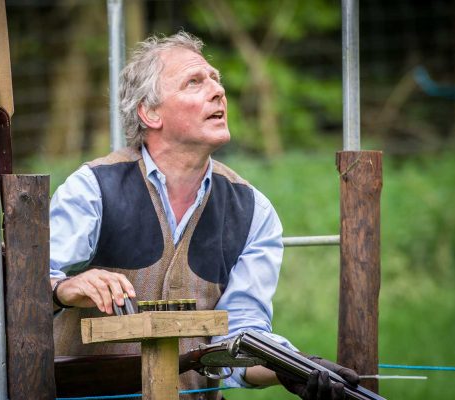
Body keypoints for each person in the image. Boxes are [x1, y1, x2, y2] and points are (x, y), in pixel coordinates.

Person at [49, 31, 359, 400]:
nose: (217, 91)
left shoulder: (253, 210)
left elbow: (241, 337)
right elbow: (20, 292)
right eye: (194, 82)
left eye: (216, 79)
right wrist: (64, 288)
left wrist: (291, 366)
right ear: (150, 112)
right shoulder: (92, 188)